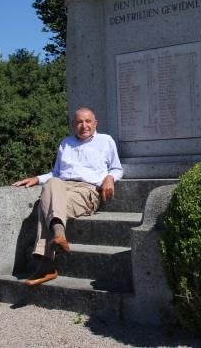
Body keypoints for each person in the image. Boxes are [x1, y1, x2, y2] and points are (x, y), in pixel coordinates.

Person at [12, 107, 123, 286]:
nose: (84, 125)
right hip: (62, 187)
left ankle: (46, 264)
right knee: (51, 184)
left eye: (88, 121)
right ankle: (59, 238)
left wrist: (110, 177)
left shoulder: (105, 141)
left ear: (95, 123)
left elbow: (117, 168)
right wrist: (37, 178)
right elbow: (56, 173)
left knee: (45, 205)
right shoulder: (65, 143)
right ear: (73, 125)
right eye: (79, 122)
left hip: (86, 191)